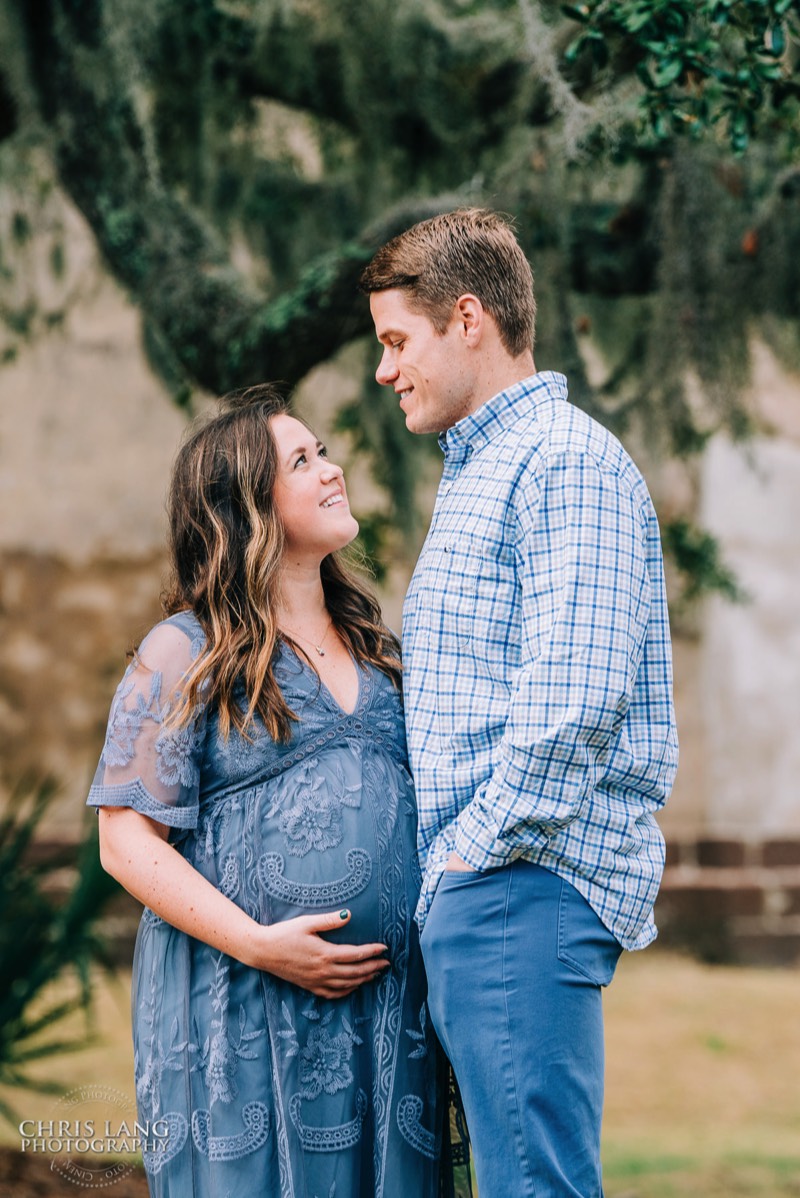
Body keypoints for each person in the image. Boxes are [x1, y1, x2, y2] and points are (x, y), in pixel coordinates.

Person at [361, 208, 679, 1197]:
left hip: (517, 884)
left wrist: (465, 855)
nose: (383, 370)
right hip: (492, 889)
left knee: (533, 1186)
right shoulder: (482, 466)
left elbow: (572, 703)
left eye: (394, 341)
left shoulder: (561, 461)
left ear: (467, 319)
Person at [87, 386, 470, 1198]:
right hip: (245, 1008)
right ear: (244, 510)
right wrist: (261, 944)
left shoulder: (379, 650)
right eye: (303, 462)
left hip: (388, 1022)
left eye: (322, 451)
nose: (332, 471)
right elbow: (124, 840)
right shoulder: (181, 652)